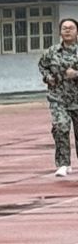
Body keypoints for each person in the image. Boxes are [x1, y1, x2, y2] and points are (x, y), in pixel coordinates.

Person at [39, 16, 78, 179]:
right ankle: (63, 163)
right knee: (60, 127)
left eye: (71, 28)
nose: (67, 30)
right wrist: (48, 77)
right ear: (60, 32)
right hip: (58, 98)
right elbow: (43, 66)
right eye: (64, 28)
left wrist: (76, 74)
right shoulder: (52, 52)